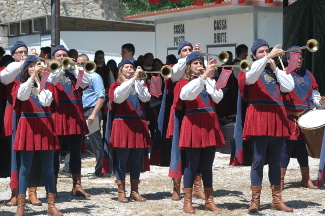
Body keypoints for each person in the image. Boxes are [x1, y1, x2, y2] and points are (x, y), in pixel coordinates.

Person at [239, 39, 294, 213]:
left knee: (275, 162)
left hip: (277, 117)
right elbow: (250, 77)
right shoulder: (249, 68)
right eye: (260, 52)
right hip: (259, 116)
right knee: (257, 160)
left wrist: (276, 67)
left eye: (266, 51)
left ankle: (277, 199)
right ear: (253, 55)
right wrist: (266, 59)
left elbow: (288, 87)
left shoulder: (276, 70)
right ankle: (255, 200)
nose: (265, 54)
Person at [173, 51, 225, 213]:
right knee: (191, 164)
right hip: (193, 124)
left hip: (209, 124)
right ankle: (187, 202)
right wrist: (203, 78)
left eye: (201, 63)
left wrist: (209, 79)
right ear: (189, 66)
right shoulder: (183, 82)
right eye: (195, 63)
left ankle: (209, 200)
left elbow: (218, 97)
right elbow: (186, 95)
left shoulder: (209, 80)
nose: (199, 66)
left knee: (208, 165)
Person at [12, 55, 62, 216]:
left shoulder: (48, 85)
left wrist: (40, 81)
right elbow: (22, 96)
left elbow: (45, 101)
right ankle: (21, 206)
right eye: (31, 66)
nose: (34, 68)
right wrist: (32, 78)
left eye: (37, 65)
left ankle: (51, 205)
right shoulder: (20, 84)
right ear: (26, 68)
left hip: (45, 126)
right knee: (25, 168)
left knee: (48, 167)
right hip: (28, 125)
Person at [0, 41, 43, 206]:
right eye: (20, 52)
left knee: (33, 153)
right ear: (13, 55)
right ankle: (15, 193)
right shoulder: (10, 67)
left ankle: (32, 191)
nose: (23, 54)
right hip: (14, 114)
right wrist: (25, 62)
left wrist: (36, 64)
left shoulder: (35, 67)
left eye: (25, 52)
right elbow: (4, 78)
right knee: (15, 156)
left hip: (32, 114)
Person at [107, 59, 151, 203]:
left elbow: (146, 98)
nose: (130, 69)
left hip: (138, 123)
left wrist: (137, 81)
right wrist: (133, 79)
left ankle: (135, 191)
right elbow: (119, 98)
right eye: (126, 67)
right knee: (122, 158)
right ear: (121, 70)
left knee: (136, 159)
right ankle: (121, 191)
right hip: (123, 123)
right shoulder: (115, 85)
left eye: (131, 67)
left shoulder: (139, 84)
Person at [280, 47, 325, 190]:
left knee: (302, 149)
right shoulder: (282, 74)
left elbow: (315, 96)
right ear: (288, 60)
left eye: (300, 58)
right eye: (295, 58)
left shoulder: (308, 75)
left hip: (304, 117)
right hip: (288, 117)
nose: (298, 61)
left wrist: (321, 102)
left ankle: (306, 179)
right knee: (285, 149)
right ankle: (280, 180)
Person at [51, 45, 92, 198]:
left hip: (74, 114)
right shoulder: (50, 72)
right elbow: (53, 81)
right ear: (54, 58)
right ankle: (52, 187)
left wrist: (76, 67)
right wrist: (62, 67)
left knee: (75, 153)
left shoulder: (75, 72)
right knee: (55, 152)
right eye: (59, 55)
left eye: (64, 55)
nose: (62, 58)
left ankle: (77, 185)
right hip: (58, 114)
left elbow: (86, 81)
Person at [78, 54, 105, 178]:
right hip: (81, 110)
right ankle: (68, 167)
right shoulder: (79, 77)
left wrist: (93, 114)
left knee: (95, 142)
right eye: (78, 63)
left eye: (83, 63)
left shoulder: (95, 76)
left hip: (91, 110)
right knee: (77, 139)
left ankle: (100, 169)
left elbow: (101, 96)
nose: (80, 66)